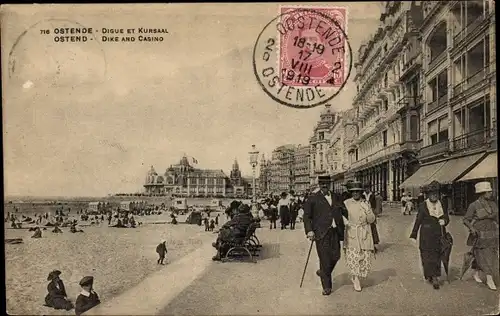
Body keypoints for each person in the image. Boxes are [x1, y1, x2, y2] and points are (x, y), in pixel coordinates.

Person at [303, 182, 346, 296]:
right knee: (324, 258)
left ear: (330, 184)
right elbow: (307, 216)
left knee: (336, 256)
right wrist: (309, 230)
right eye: (322, 184)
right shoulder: (313, 198)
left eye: (326, 183)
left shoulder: (336, 196)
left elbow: (344, 210)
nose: (324, 186)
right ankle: (326, 286)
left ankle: (323, 272)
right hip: (321, 233)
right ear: (319, 185)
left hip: (335, 231)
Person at [409, 181, 450, 290]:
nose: (434, 196)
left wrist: (444, 221)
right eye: (432, 194)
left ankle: (435, 276)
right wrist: (413, 234)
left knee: (437, 255)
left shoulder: (442, 204)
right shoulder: (423, 205)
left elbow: (446, 216)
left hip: (439, 233)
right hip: (426, 235)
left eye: (436, 194)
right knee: (427, 256)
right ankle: (430, 275)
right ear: (428, 195)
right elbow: (418, 220)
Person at [463, 181, 499, 290]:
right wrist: (472, 228)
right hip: (480, 233)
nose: (491, 193)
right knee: (484, 255)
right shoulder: (473, 205)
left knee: (490, 254)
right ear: (483, 193)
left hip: (492, 232)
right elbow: (465, 219)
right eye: (489, 191)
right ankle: (489, 278)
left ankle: (475, 272)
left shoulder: (493, 204)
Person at [343, 181, 376, 292]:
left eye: (357, 191)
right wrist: (345, 222)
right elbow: (341, 216)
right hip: (351, 233)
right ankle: (355, 278)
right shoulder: (346, 203)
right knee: (354, 257)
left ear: (361, 192)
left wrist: (367, 209)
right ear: (351, 193)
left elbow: (371, 220)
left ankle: (357, 275)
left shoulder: (366, 203)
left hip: (364, 233)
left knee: (365, 258)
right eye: (353, 192)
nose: (355, 194)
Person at [363, 184, 380, 253]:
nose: (367, 189)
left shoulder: (372, 195)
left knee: (372, 228)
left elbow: (375, 206)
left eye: (368, 188)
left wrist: (375, 215)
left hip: (371, 212)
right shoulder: (362, 195)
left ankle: (373, 245)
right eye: (365, 188)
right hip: (363, 213)